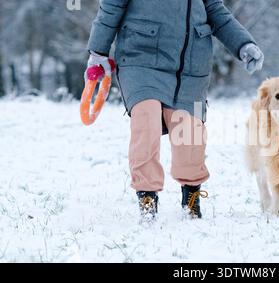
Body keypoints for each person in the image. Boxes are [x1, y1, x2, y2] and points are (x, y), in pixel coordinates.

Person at [86, 0, 264, 221]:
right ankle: (147, 198)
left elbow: (216, 10)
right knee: (146, 117)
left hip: (191, 67)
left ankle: (191, 198)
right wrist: (98, 52)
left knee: (189, 134)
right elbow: (112, 6)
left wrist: (243, 44)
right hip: (140, 58)